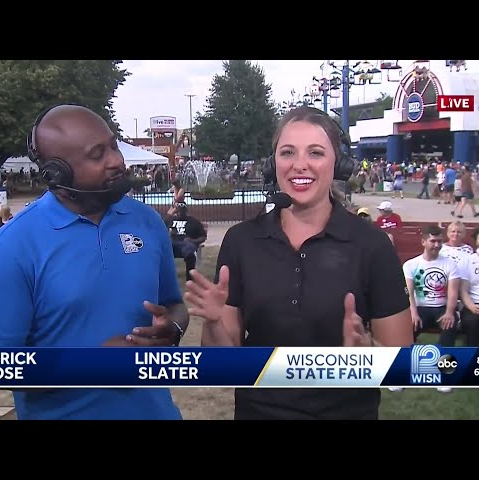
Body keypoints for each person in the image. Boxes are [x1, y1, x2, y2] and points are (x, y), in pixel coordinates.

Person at [184, 105, 413, 420]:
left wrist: (367, 356)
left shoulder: (372, 245)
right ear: (272, 164)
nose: (299, 165)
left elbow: (403, 363)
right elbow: (224, 365)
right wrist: (212, 322)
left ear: (340, 165)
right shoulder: (241, 242)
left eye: (315, 153)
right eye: (288, 152)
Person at [0, 104, 189, 420]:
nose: (116, 160)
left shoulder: (147, 222)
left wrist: (171, 329)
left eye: (113, 146)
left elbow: (174, 306)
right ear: (56, 173)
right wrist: (90, 366)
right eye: (97, 155)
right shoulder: (11, 247)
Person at [400, 224, 460, 395]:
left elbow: (453, 292)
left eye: (439, 241)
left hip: (442, 307)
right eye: (433, 241)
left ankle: (444, 373)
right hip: (419, 307)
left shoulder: (450, 264)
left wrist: (449, 312)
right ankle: (402, 372)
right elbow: (409, 292)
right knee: (405, 328)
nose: (437, 245)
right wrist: (413, 313)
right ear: (423, 242)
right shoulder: (411, 265)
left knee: (450, 326)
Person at [163, 202, 207, 281]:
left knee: (189, 252)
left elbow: (203, 237)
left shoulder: (193, 222)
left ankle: (189, 278)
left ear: (185, 211)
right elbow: (159, 225)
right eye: (177, 211)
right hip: (172, 245)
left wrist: (192, 240)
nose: (179, 213)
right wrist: (169, 214)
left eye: (181, 211)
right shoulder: (170, 220)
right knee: (160, 250)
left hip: (186, 245)